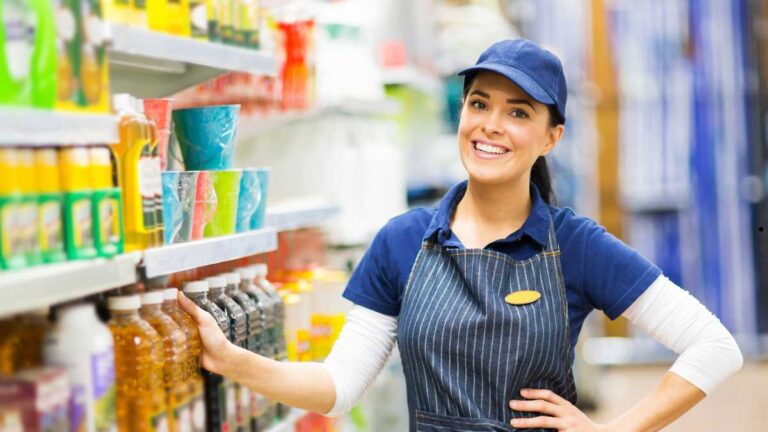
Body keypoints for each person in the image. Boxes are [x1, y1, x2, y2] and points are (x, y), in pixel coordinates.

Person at [178, 39, 744, 431]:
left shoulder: (575, 245)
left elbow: (715, 347)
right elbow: (339, 385)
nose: (491, 125)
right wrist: (233, 360)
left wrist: (615, 429)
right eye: (479, 104)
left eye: (518, 112)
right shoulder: (402, 243)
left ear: (552, 137)